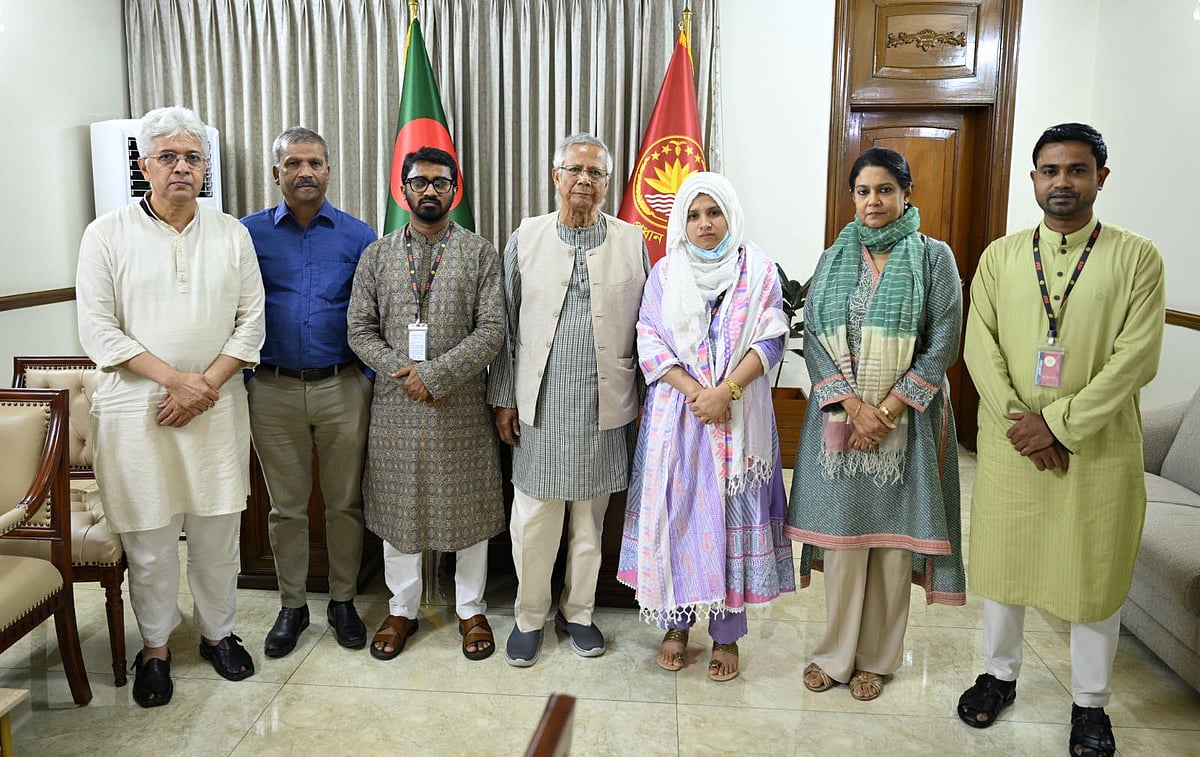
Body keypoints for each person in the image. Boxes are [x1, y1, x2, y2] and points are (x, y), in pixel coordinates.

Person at [958, 123, 1165, 757]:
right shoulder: (1000, 257)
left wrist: (1059, 424)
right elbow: (978, 347)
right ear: (1033, 180)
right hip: (1012, 444)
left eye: (1077, 170)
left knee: (1094, 571)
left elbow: (1136, 358)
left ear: (1102, 177)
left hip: (1096, 450)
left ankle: (1090, 704)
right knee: (1002, 565)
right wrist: (1024, 422)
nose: (1062, 182)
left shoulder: (1136, 258)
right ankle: (999, 675)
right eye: (1050, 171)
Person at [76, 106, 265, 707]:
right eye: (169, 157)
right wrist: (175, 382)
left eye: (193, 157)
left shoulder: (232, 234)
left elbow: (252, 324)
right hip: (136, 415)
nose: (182, 167)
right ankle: (154, 648)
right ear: (143, 166)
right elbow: (99, 332)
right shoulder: (105, 234)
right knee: (151, 538)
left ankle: (218, 633)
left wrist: (201, 386)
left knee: (217, 532)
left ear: (206, 167)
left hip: (217, 409)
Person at [785, 147, 966, 702]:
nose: (873, 201)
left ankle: (878, 660)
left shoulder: (934, 258)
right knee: (843, 542)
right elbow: (812, 337)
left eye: (885, 189)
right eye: (863, 191)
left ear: (907, 194)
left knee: (891, 546)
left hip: (906, 427)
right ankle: (835, 655)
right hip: (839, 423)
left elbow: (943, 344)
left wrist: (887, 410)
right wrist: (852, 407)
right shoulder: (834, 258)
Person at [616, 172, 795, 682]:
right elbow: (648, 338)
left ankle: (727, 634)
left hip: (737, 423)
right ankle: (675, 623)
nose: (704, 223)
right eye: (693, 215)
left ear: (730, 215)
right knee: (679, 517)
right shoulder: (666, 274)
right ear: (681, 223)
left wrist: (726, 392)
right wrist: (698, 392)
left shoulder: (757, 270)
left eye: (713, 212)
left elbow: (771, 337)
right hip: (681, 419)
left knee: (729, 523)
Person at [488, 132, 649, 667]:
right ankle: (528, 617)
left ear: (608, 183)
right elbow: (504, 328)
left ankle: (578, 613)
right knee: (534, 520)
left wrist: (647, 402)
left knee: (589, 523)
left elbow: (649, 328)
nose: (585, 180)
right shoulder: (526, 237)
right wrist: (503, 398)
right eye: (575, 170)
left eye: (596, 173)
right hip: (540, 406)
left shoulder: (632, 241)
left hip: (605, 407)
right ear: (555, 177)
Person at [348, 146, 505, 662]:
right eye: (420, 182)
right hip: (395, 408)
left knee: (469, 509)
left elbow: (492, 332)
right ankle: (402, 608)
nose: (430, 190)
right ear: (404, 190)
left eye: (441, 182)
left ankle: (470, 608)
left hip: (460, 407)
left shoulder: (480, 253)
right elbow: (358, 330)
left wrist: (435, 375)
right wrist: (405, 373)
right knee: (400, 509)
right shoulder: (377, 255)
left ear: (454, 190)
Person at [241, 127, 377, 658]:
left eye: (315, 163)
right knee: (286, 508)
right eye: (293, 163)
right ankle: (292, 604)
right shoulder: (246, 235)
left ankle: (342, 601)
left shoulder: (357, 236)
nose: (305, 172)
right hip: (271, 390)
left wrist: (365, 378)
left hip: (343, 386)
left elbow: (379, 313)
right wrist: (249, 378)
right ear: (276, 173)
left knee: (344, 503)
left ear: (328, 170)